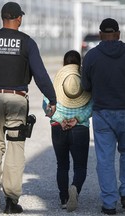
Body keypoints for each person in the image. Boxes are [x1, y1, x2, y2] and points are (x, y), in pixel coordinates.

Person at [0, 2, 56, 214]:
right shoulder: (27, 43)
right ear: (19, 18)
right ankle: (11, 200)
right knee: (15, 147)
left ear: (2, 18)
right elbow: (40, 74)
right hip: (17, 99)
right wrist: (52, 98)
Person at [81, 18, 125, 215]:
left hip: (103, 113)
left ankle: (109, 204)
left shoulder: (91, 56)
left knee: (105, 159)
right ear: (118, 34)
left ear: (101, 35)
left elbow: (85, 86)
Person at [43, 50, 92, 212]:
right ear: (79, 65)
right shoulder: (86, 82)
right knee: (80, 167)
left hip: (58, 128)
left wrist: (60, 119)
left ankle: (64, 198)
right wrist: (77, 119)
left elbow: (47, 107)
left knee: (62, 166)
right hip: (80, 128)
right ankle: (75, 188)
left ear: (64, 65)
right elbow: (92, 106)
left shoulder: (55, 82)